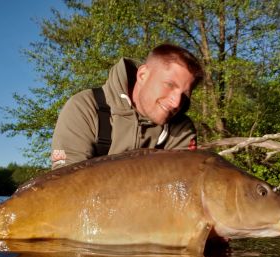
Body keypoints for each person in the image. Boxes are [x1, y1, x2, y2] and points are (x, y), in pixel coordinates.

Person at [50, 43, 203, 169]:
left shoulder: (181, 129)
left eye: (184, 95)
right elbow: (65, 185)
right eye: (169, 85)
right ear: (143, 75)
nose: (176, 102)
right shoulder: (83, 108)